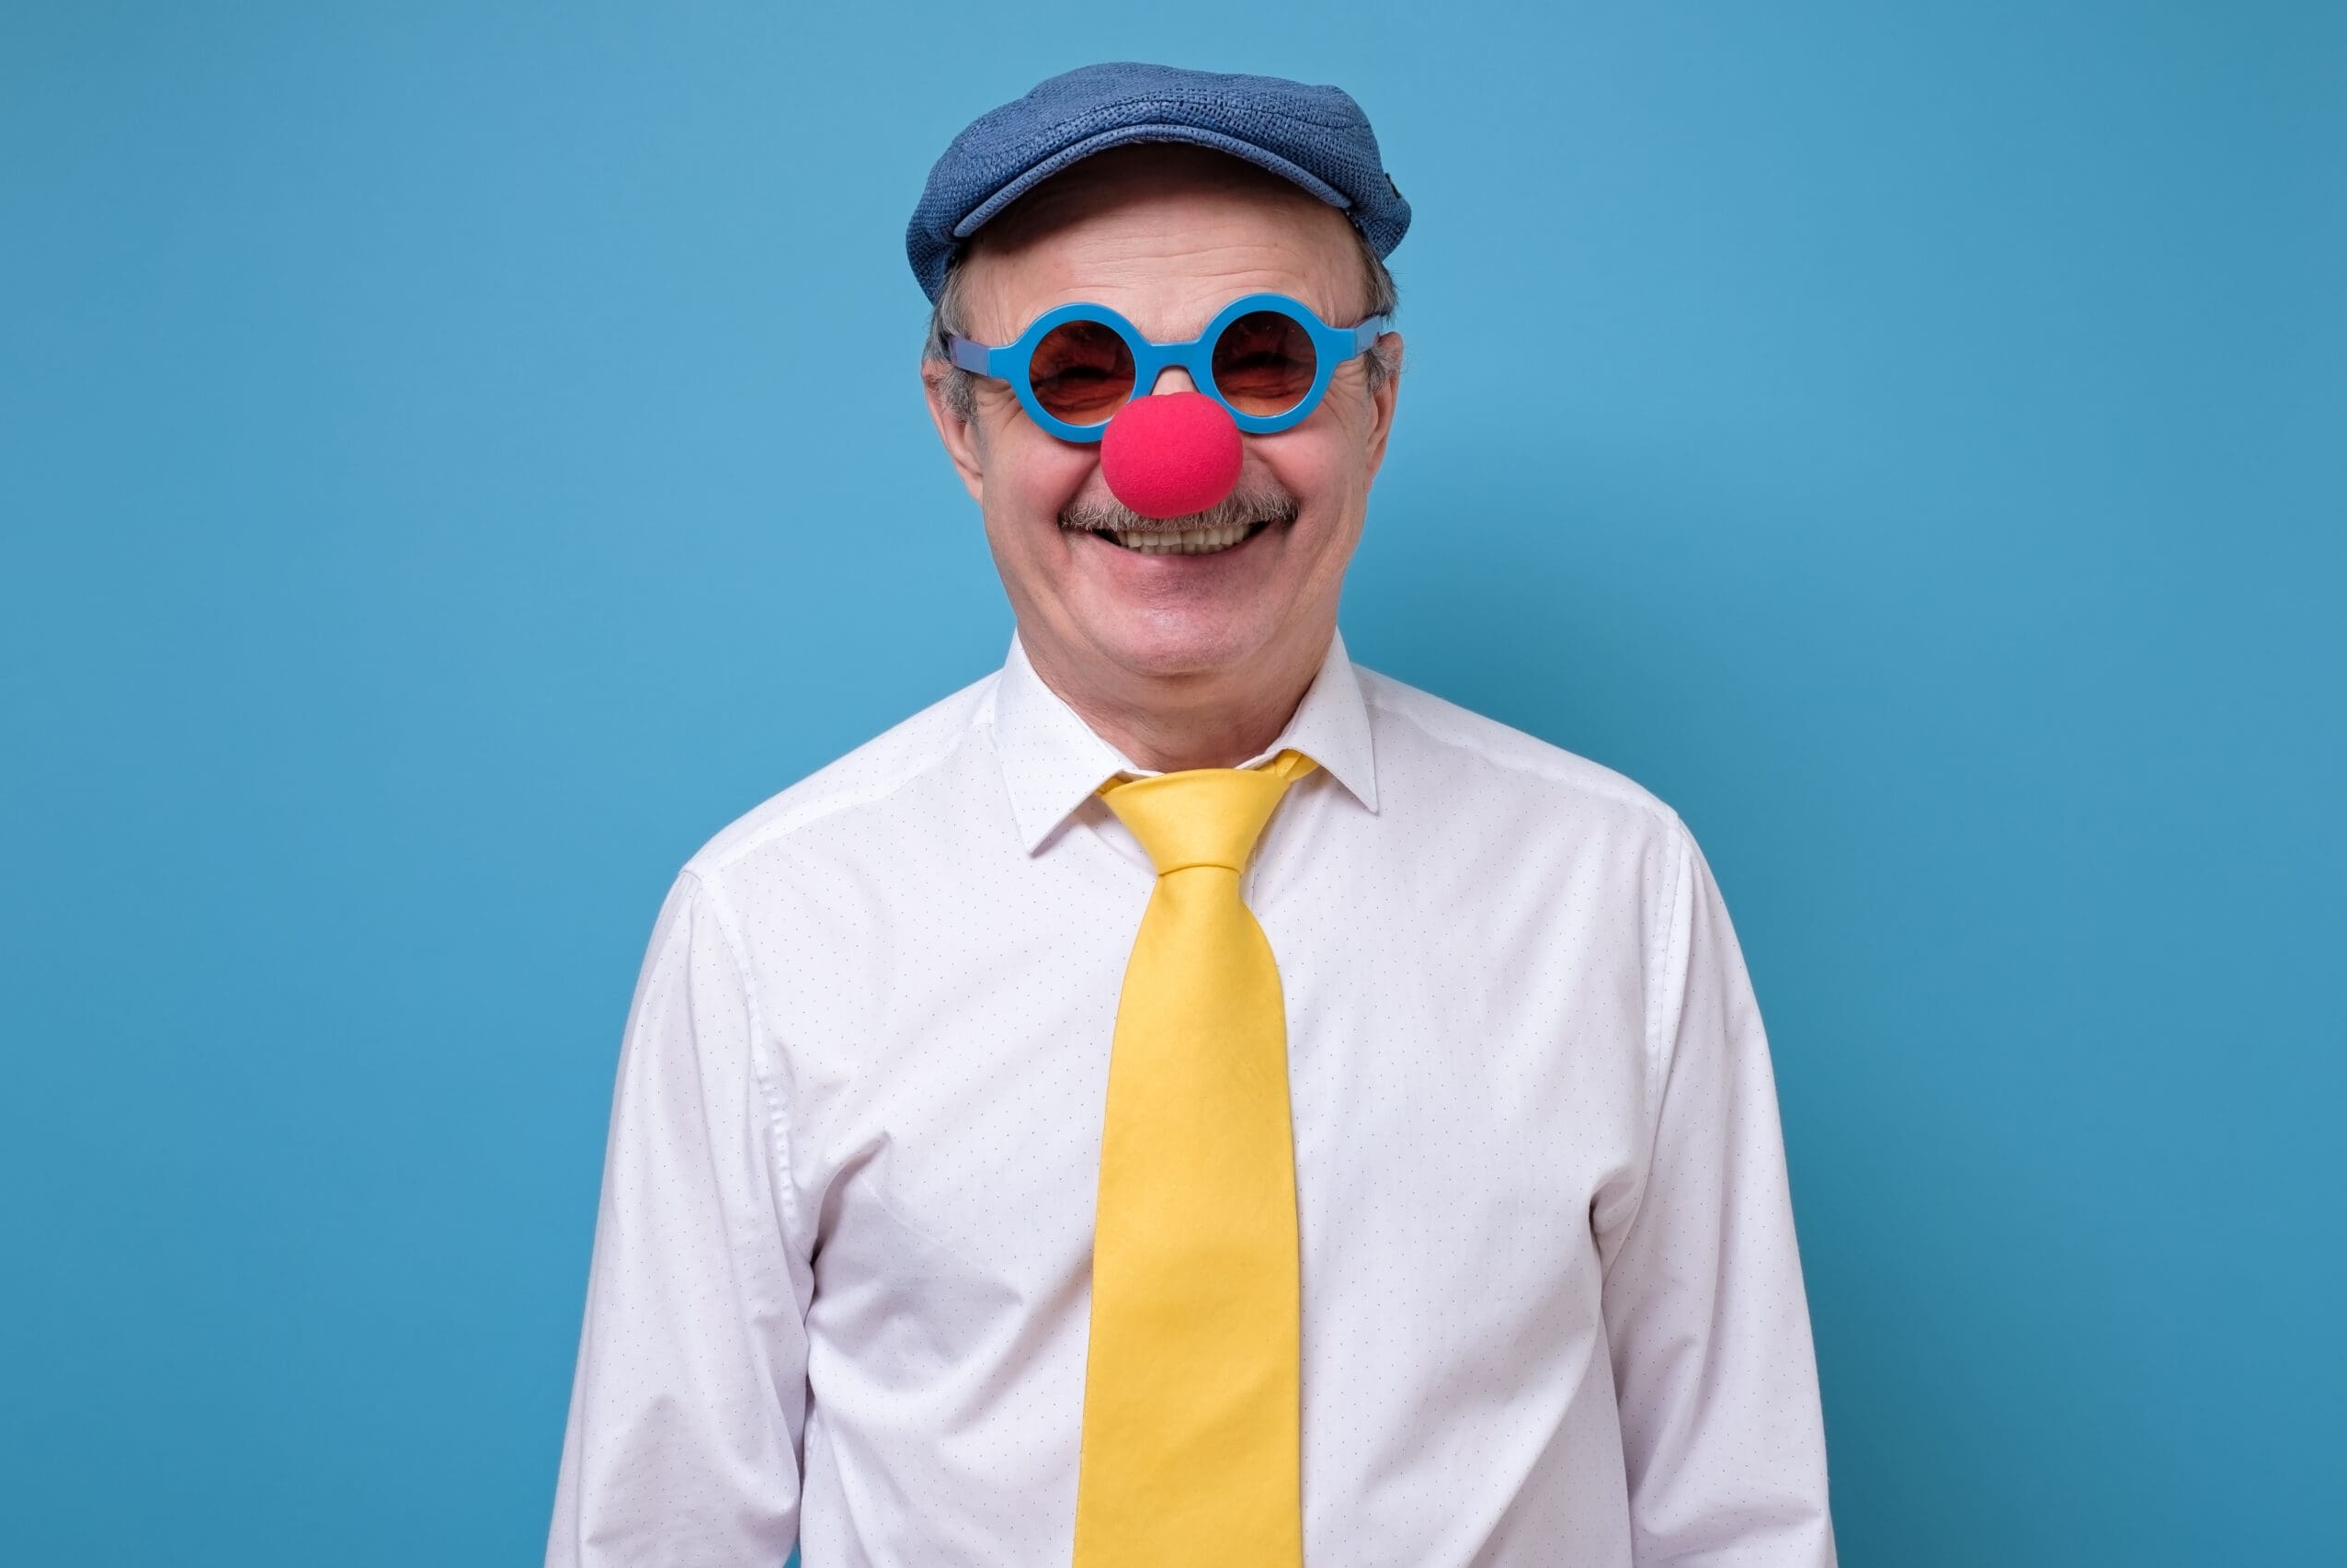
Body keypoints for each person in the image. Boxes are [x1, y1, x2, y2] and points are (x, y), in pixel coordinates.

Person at [546, 62, 1838, 1568]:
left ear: (1377, 398)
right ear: (961, 420)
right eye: (1080, 368)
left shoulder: (1618, 885)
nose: (1178, 452)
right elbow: (655, 1537)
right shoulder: (770, 923)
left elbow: (1736, 1523)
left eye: (1265, 357)